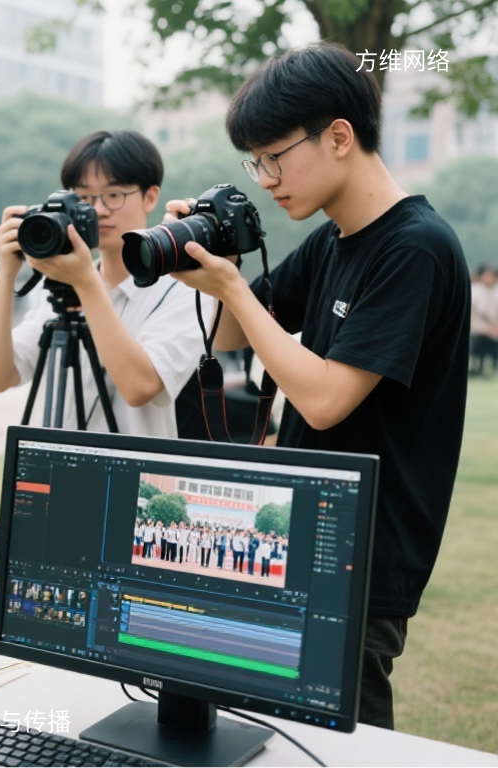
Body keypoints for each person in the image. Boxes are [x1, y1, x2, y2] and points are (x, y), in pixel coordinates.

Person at [168, 43, 470, 729]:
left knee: (341, 748)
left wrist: (231, 287)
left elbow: (327, 399)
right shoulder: (333, 239)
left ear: (338, 136)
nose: (266, 179)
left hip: (363, 559)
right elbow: (232, 335)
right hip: (303, 533)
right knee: (278, 736)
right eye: (256, 163)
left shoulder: (415, 247)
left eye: (274, 156)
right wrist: (210, 264)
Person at [0, 130, 211, 436]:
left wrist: (86, 283)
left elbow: (140, 387)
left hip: (131, 465)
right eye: (84, 198)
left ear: (150, 197)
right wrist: (6, 273)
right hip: (56, 463)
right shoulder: (65, 285)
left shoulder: (184, 290)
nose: (98, 210)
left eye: (114, 195)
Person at [469, 264, 498, 377]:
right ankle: (477, 367)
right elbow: (478, 314)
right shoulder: (475, 291)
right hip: (477, 329)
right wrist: (488, 329)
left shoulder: (496, 291)